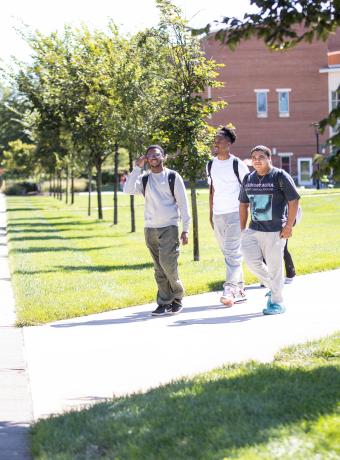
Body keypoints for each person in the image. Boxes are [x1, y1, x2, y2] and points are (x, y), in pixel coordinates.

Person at [123, 145, 190, 316]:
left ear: (163, 157)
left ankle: (178, 296)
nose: (153, 157)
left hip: (169, 227)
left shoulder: (172, 177)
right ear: (146, 159)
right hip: (150, 228)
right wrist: (137, 167)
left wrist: (186, 229)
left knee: (168, 264)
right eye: (149, 155)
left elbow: (183, 203)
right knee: (159, 268)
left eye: (156, 154)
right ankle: (164, 302)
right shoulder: (145, 179)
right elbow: (128, 189)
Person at [239, 145, 300, 315]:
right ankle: (274, 288)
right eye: (254, 157)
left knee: (275, 267)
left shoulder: (279, 176)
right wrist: (242, 229)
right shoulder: (248, 178)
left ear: (269, 159)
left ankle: (277, 302)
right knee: (251, 262)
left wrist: (288, 226)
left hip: (275, 230)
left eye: (261, 157)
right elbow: (243, 204)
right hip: (253, 229)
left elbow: (294, 201)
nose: (257, 160)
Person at [207, 126, 249, 307]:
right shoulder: (210, 164)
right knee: (229, 253)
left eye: (220, 140)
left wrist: (245, 215)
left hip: (235, 212)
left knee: (232, 252)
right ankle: (240, 290)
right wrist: (210, 213)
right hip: (218, 214)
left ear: (229, 143)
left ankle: (229, 289)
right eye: (215, 140)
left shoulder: (237, 164)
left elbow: (247, 190)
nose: (216, 143)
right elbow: (212, 190)